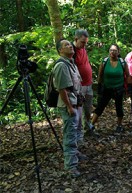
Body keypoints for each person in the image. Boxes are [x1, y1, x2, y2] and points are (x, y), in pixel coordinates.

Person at [53, 39, 86, 177]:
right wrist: (69, 107)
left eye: (70, 44)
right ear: (60, 50)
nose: (70, 46)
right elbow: (62, 89)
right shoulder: (61, 65)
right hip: (69, 106)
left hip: (76, 103)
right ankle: (71, 166)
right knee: (70, 135)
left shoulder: (71, 63)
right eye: (66, 45)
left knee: (77, 131)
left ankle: (75, 155)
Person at [91, 44, 131, 133]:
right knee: (100, 106)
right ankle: (91, 124)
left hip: (118, 88)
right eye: (111, 50)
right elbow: (100, 75)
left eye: (115, 50)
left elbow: (128, 75)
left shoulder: (122, 62)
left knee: (119, 107)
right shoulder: (104, 61)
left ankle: (119, 125)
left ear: (118, 52)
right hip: (106, 88)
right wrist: (99, 88)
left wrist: (128, 89)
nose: (112, 52)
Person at [72, 29, 99, 140]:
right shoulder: (72, 51)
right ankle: (78, 135)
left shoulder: (83, 49)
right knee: (78, 111)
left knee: (87, 110)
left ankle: (88, 129)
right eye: (82, 42)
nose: (84, 45)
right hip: (79, 86)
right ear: (76, 39)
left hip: (88, 84)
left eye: (86, 42)